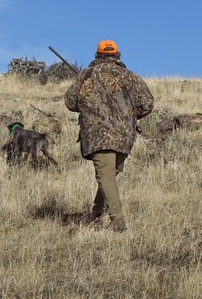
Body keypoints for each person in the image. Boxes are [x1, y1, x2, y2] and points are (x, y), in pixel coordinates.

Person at [64, 40, 154, 232]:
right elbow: (147, 103)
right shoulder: (131, 77)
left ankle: (118, 222)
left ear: (97, 55)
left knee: (107, 176)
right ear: (117, 55)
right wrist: (130, 114)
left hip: (97, 134)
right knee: (109, 175)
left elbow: (70, 102)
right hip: (124, 135)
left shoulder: (86, 75)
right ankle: (97, 215)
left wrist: (90, 103)